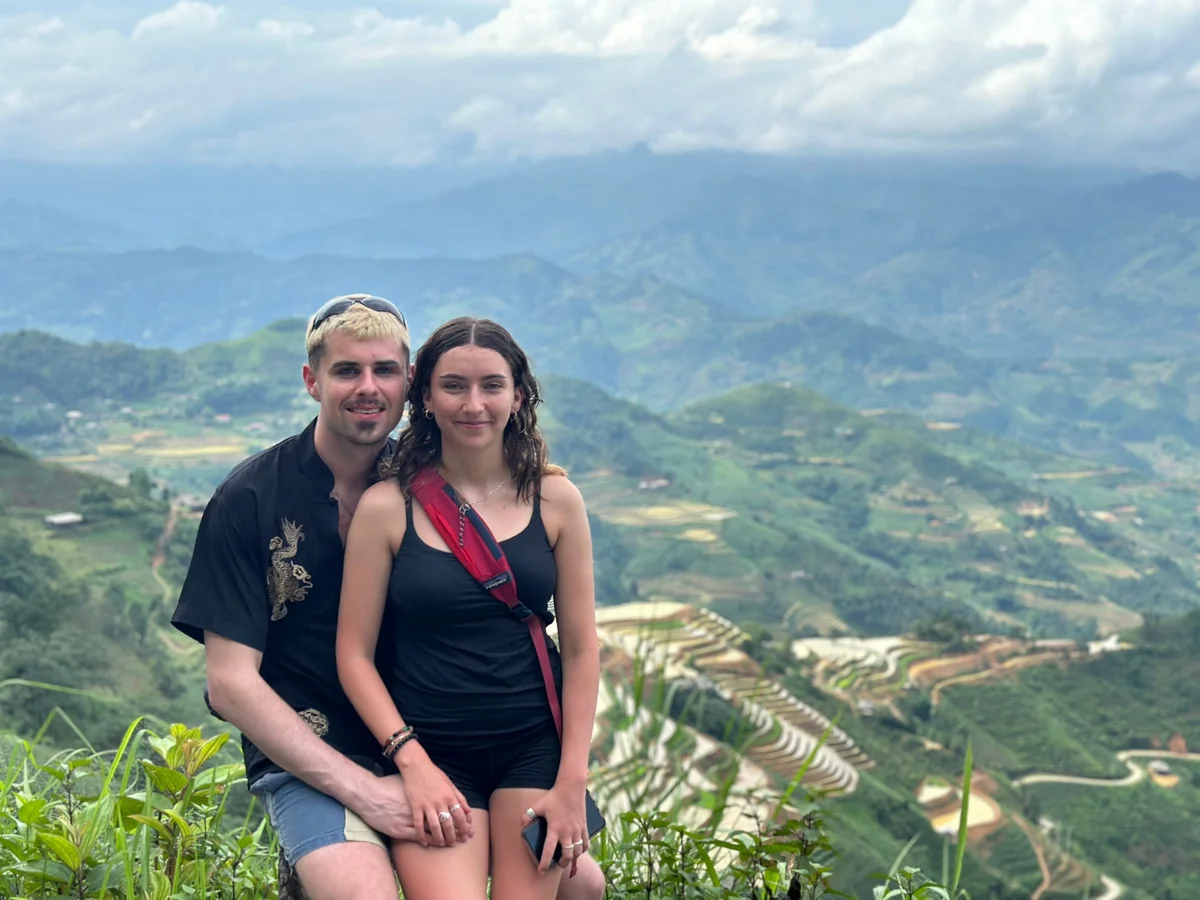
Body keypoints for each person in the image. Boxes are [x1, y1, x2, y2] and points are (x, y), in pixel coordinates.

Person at [171, 297, 606, 900]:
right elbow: (230, 685)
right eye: (347, 371)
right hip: (321, 747)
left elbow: (565, 633)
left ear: (409, 386)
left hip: (447, 731)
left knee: (582, 885)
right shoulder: (250, 500)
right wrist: (370, 788)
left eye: (385, 371)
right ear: (312, 380)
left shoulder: (429, 478)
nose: (367, 388)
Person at [335, 316, 601, 900]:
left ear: (518, 394)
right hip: (434, 750)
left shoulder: (556, 500)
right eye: (454, 385)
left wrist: (570, 785)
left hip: (534, 747)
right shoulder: (387, 508)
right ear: (424, 396)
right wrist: (412, 763)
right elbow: (353, 655)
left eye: (492, 385)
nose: (473, 403)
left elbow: (582, 650)